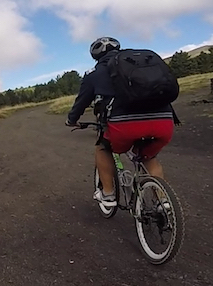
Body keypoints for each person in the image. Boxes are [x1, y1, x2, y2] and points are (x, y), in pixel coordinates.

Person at [65, 37, 178, 208]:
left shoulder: (93, 74)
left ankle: (108, 195)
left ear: (95, 56)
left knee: (103, 148)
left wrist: (71, 120)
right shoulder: (141, 64)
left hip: (124, 125)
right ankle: (163, 202)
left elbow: (81, 102)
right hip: (163, 120)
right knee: (148, 157)